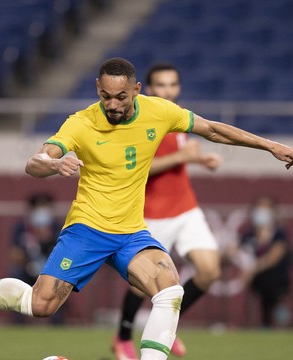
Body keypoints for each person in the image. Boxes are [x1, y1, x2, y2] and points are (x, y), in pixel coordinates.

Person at [0, 58, 293, 360]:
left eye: (121, 97)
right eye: (105, 95)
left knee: (170, 288)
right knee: (40, 305)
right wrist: (53, 163)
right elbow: (35, 161)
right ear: (97, 88)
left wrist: (270, 145)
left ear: (136, 90)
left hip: (130, 232)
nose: (112, 104)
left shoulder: (159, 111)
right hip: (87, 229)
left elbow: (212, 129)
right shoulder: (81, 123)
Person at [112, 63, 222, 360]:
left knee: (210, 270)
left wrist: (199, 161)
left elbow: (176, 160)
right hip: (150, 213)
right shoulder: (139, 121)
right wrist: (182, 157)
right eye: (160, 85)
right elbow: (135, 169)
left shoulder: (176, 116)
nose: (167, 91)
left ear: (179, 87)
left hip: (185, 208)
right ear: (147, 89)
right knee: (141, 284)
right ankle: (122, 338)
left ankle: (166, 326)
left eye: (172, 85)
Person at [240, 195, 293, 328]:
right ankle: (265, 321)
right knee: (263, 282)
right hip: (257, 280)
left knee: (271, 279)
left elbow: (274, 257)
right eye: (259, 207)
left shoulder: (279, 233)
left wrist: (254, 268)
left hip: (277, 278)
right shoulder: (249, 235)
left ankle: (279, 316)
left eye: (266, 208)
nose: (261, 212)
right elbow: (238, 251)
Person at [9, 193, 63, 324]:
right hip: (27, 266)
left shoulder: (57, 227)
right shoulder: (22, 227)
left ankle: (58, 322)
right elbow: (14, 253)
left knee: (62, 282)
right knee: (15, 276)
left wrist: (47, 239)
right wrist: (26, 263)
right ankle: (18, 322)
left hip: (50, 268)